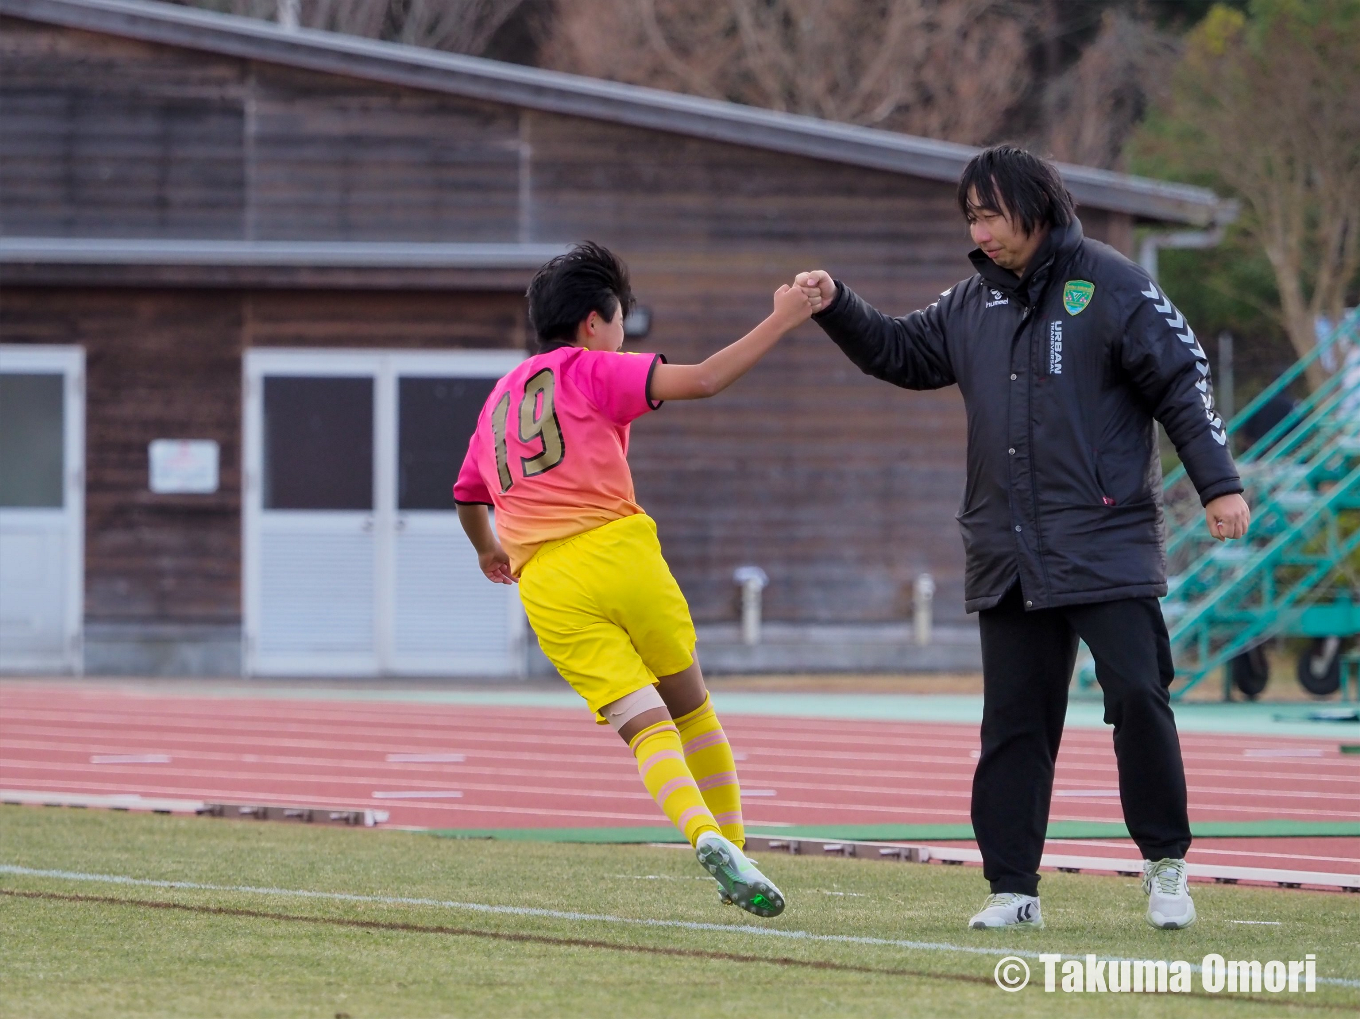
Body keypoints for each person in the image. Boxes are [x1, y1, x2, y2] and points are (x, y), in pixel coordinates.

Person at [795, 146, 1251, 932]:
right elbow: (902, 351)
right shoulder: (972, 302)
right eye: (970, 217)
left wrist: (1218, 482)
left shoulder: (1113, 284)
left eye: (990, 214)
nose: (980, 231)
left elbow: (1182, 377)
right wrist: (838, 304)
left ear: (1035, 208)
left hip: (1103, 541)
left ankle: (1166, 867)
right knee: (1013, 722)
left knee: (1139, 696)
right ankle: (1013, 887)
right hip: (1006, 552)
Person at [455, 241, 811, 917]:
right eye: (621, 320)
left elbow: (468, 493)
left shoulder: (499, 400)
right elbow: (704, 378)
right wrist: (783, 318)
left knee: (642, 725)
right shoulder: (594, 369)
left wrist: (487, 551)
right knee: (691, 706)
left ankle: (705, 834)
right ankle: (732, 843)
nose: (623, 335)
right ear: (596, 320)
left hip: (545, 580)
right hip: (619, 551)